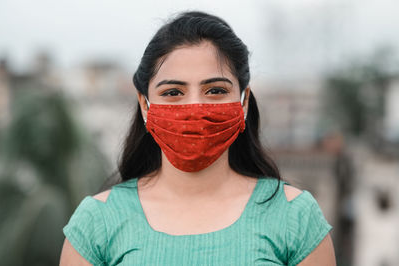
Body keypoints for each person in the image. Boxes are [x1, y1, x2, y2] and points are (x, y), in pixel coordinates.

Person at [59, 11, 336, 266]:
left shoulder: (295, 218)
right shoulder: (96, 223)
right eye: (173, 93)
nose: (194, 108)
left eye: (215, 91)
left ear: (244, 101)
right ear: (145, 104)